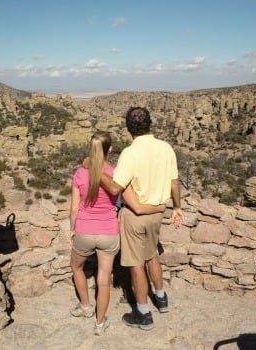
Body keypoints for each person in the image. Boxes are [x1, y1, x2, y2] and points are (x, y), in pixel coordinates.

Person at [70, 131, 166, 336]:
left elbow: (74, 208)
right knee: (104, 278)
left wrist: (72, 229)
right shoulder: (116, 174)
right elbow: (133, 203)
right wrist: (159, 208)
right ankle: (99, 323)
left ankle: (86, 306)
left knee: (76, 267)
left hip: (84, 230)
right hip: (109, 232)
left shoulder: (79, 174)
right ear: (110, 150)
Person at [98, 107, 184, 331]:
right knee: (152, 254)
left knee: (136, 263)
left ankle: (143, 313)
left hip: (135, 215)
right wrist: (177, 207)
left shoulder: (130, 153)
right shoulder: (166, 148)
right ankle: (161, 298)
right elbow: (174, 183)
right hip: (157, 212)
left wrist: (97, 172)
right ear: (150, 124)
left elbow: (116, 188)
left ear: (128, 128)